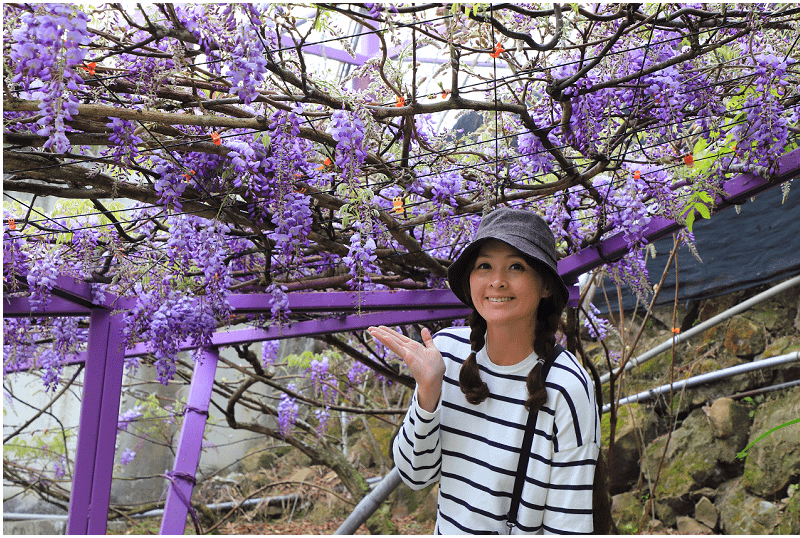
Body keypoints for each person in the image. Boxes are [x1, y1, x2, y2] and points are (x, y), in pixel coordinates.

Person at [368, 207, 600, 534]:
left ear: (546, 285)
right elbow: (415, 475)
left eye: (516, 266)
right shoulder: (446, 352)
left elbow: (568, 526)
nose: (497, 281)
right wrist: (427, 394)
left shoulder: (566, 387)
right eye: (484, 266)